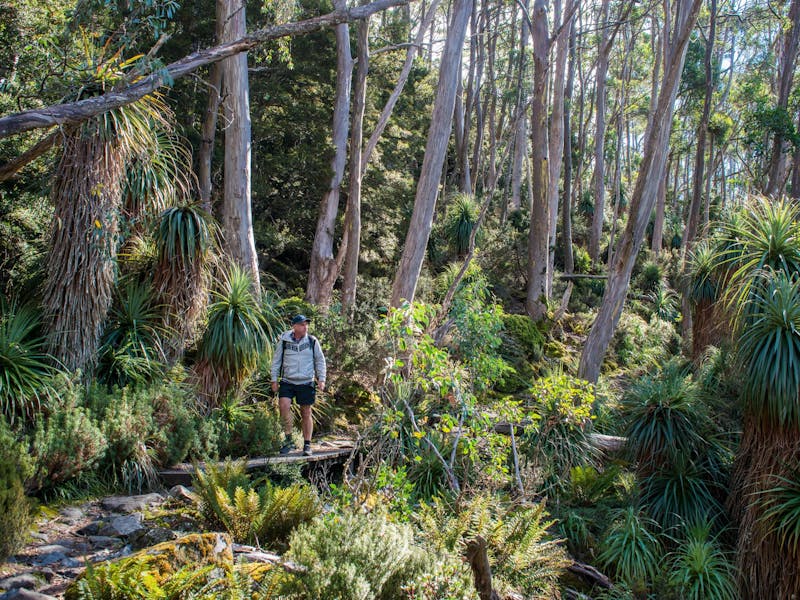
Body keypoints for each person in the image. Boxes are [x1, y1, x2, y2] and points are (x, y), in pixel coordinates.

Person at [271, 314, 326, 456]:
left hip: (306, 381)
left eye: (306, 324)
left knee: (306, 412)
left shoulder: (312, 341)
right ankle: (288, 440)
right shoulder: (284, 341)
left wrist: (321, 379)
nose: (305, 327)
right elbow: (276, 361)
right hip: (288, 381)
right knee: (283, 406)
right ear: (294, 326)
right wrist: (274, 380)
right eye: (302, 324)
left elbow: (320, 360)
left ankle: (307, 444)